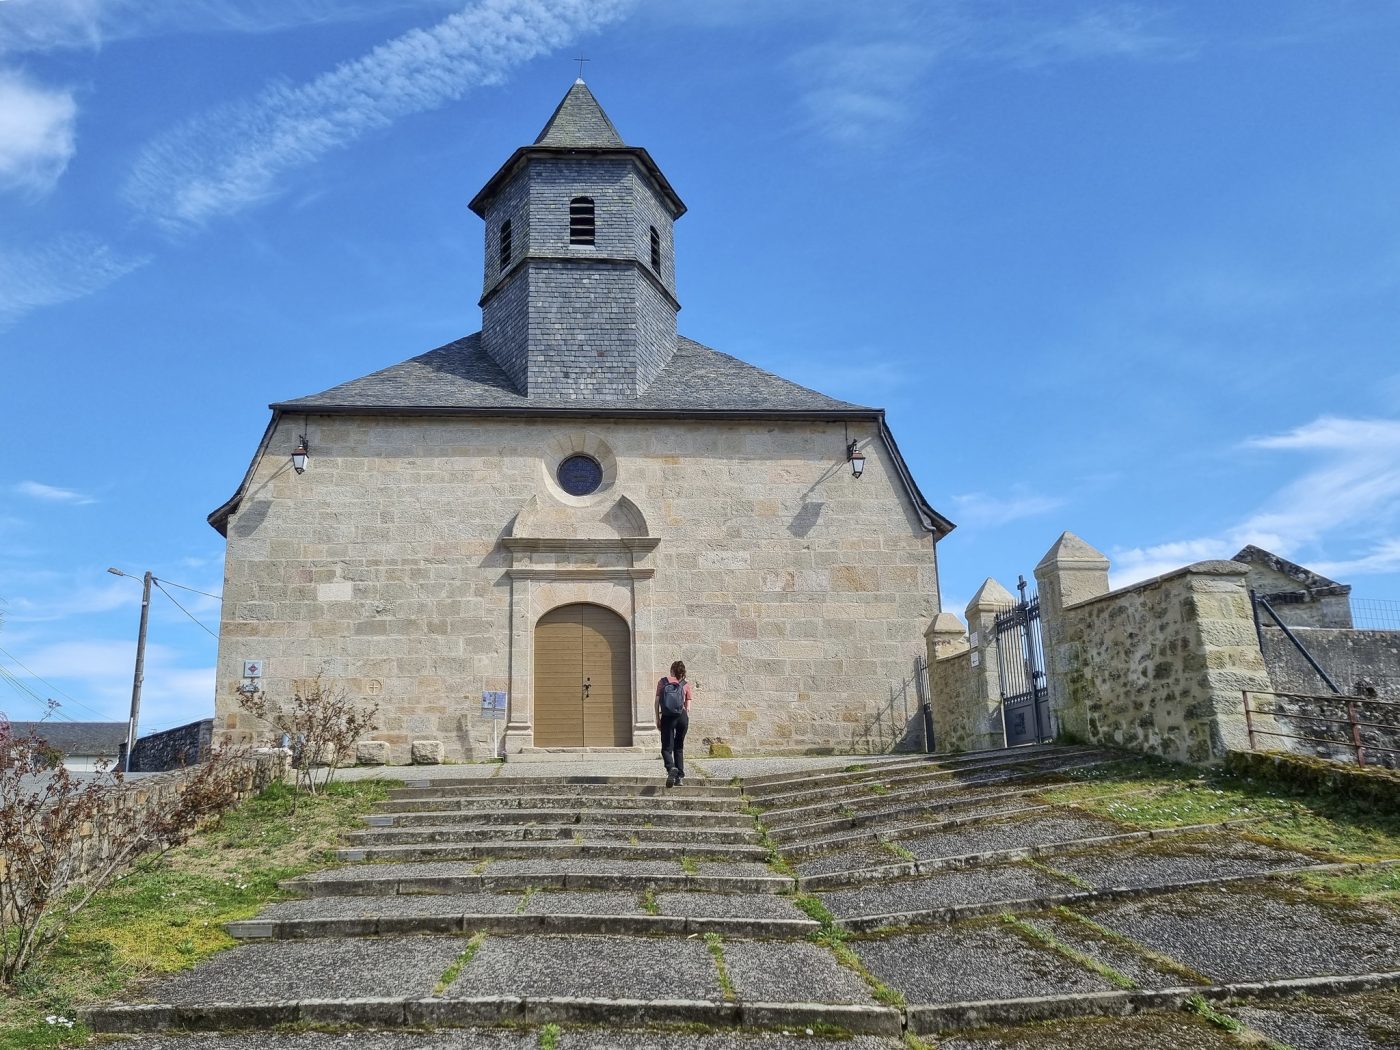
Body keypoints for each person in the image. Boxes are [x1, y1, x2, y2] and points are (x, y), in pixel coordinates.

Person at [655, 660, 692, 788]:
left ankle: (671, 768)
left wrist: (657, 718)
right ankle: (680, 777)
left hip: (667, 716)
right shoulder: (685, 684)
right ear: (683, 672)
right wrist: (684, 716)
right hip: (681, 716)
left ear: (671, 670)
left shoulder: (663, 682)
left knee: (666, 747)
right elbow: (687, 707)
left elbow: (657, 701)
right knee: (679, 746)